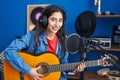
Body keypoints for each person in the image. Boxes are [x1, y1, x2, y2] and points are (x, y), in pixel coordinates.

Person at [4, 4, 85, 80]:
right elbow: (9, 51)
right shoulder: (32, 36)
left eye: (60, 20)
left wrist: (74, 69)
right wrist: (29, 70)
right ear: (45, 20)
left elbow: (63, 65)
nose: (57, 24)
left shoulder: (63, 41)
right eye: (53, 20)